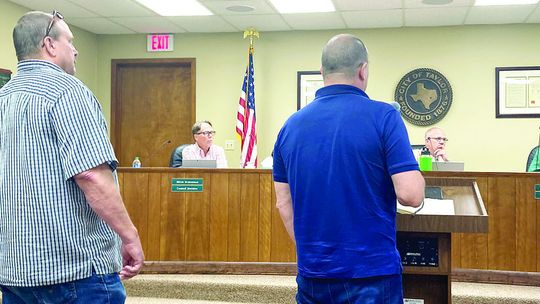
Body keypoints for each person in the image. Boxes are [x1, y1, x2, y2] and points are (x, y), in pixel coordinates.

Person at [0, 11, 144, 303]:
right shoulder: (69, 93)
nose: (75, 49)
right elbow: (91, 174)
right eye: (70, 40)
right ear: (50, 45)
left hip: (14, 271)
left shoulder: (4, 98)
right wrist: (129, 236)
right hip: (74, 271)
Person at [273, 34, 425, 303]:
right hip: (371, 274)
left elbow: (283, 203)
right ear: (363, 70)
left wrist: (311, 251)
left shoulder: (290, 126)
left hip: (313, 273)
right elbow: (410, 195)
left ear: (322, 72)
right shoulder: (385, 117)